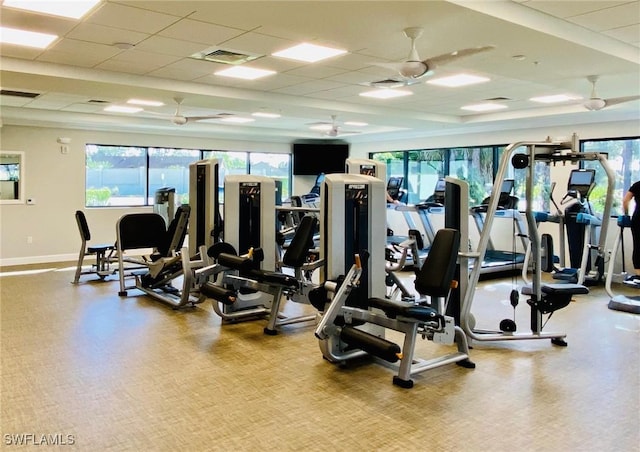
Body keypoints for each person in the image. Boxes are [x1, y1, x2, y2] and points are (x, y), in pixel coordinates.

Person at [622, 180, 640, 286]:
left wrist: (626, 215)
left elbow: (625, 201)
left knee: (638, 246)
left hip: (638, 219)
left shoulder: (637, 185)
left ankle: (639, 275)